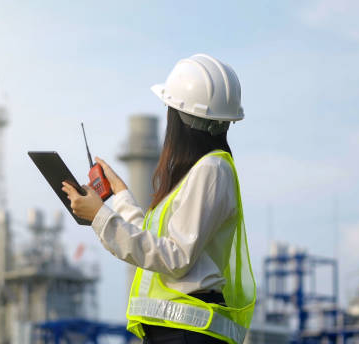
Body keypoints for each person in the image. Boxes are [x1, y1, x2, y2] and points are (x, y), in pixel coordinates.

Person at [61, 54, 256, 344]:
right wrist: (120, 195)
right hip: (173, 333)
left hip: (188, 334)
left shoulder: (212, 169)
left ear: (179, 117)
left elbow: (174, 257)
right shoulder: (197, 173)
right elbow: (154, 240)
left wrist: (100, 216)